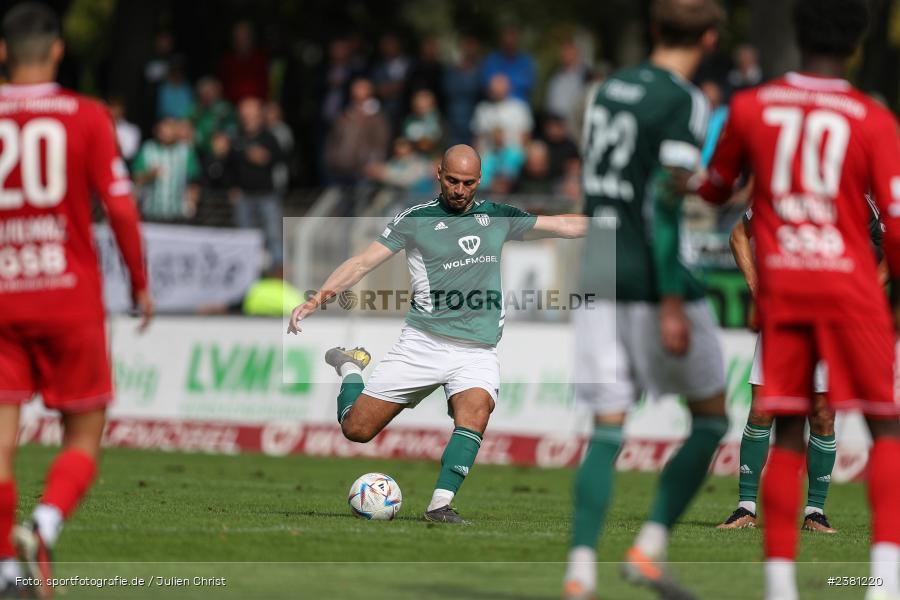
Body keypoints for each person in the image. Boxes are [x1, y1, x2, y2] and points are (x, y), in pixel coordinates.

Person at [691, 1, 900, 598]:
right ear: (857, 46)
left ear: (796, 36)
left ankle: (780, 584)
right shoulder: (872, 118)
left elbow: (712, 189)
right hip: (850, 301)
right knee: (886, 429)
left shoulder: (754, 107)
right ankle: (883, 582)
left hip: (790, 302)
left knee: (788, 428)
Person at [287, 144, 586, 524]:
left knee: (475, 412)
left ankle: (439, 506)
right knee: (356, 430)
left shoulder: (498, 217)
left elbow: (563, 224)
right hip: (423, 345)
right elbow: (362, 262)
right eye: (453, 181)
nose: (460, 190)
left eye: (468, 183)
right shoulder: (416, 219)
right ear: (439, 174)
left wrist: (617, 221)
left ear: (480, 181)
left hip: (477, 351)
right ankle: (350, 368)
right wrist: (316, 300)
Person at [564, 1, 728, 599]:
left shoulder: (606, 89)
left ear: (655, 29)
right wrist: (669, 300)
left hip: (597, 271)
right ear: (710, 38)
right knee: (711, 419)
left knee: (607, 431)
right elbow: (663, 201)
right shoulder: (685, 100)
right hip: (651, 279)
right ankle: (647, 548)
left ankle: (579, 575)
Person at [0, 4, 152, 597]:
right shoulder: (86, 115)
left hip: (3, 296)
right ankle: (45, 522)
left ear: (4, 52)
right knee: (84, 435)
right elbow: (118, 206)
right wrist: (140, 280)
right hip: (67, 295)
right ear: (59, 51)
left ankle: (6, 571)